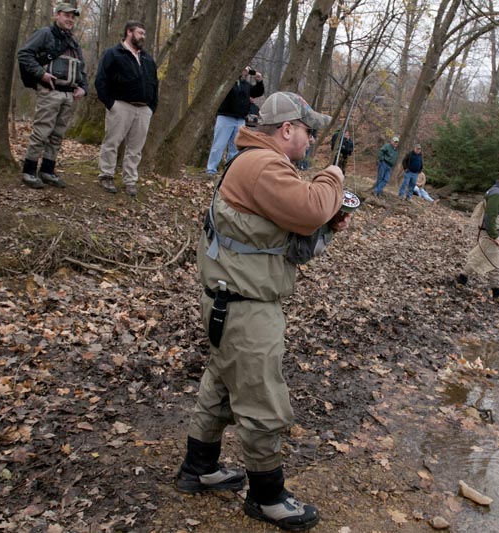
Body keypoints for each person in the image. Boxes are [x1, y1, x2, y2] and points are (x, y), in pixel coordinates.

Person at [175, 92, 351, 532]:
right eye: (309, 131)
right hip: (245, 309)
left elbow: (283, 241)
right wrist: (333, 178)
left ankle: (198, 470)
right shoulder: (263, 164)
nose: (311, 141)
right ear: (287, 129)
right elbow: (311, 205)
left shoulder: (256, 163)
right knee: (262, 400)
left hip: (228, 301)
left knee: (219, 386)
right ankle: (267, 497)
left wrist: (325, 227)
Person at [17, 2, 87, 189]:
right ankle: (29, 171)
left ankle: (47, 170)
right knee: (42, 132)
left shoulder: (73, 42)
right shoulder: (45, 34)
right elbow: (24, 54)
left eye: (73, 17)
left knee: (57, 135)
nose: (70, 19)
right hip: (49, 91)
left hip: (68, 95)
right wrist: (41, 74)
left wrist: (83, 87)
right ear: (57, 15)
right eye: (66, 15)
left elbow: (81, 69)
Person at [95, 21, 158, 197]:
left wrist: (152, 107)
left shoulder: (147, 58)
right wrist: (111, 104)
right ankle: (106, 175)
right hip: (121, 106)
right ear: (128, 32)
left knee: (135, 148)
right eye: (140, 33)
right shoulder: (114, 54)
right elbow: (101, 80)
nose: (143, 37)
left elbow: (155, 83)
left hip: (144, 109)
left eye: (144, 34)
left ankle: (130, 180)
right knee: (111, 142)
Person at [457, 168, 499, 306]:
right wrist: (495, 235)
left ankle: (461, 279)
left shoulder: (497, 192)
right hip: (492, 234)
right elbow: (490, 216)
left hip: (494, 231)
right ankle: (497, 294)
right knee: (497, 264)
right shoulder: (497, 194)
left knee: (480, 256)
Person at [205, 67, 265, 177]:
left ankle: (230, 170)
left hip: (240, 119)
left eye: (247, 70)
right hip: (225, 117)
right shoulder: (229, 82)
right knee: (218, 145)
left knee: (235, 147)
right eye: (243, 69)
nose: (245, 72)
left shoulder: (246, 85)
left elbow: (257, 92)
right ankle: (211, 170)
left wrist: (259, 81)